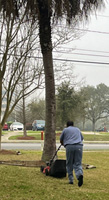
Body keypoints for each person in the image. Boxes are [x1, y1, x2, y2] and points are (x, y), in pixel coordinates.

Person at [60, 120, 84, 187]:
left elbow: (61, 139)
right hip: (79, 146)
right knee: (78, 163)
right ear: (73, 125)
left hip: (69, 146)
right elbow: (82, 138)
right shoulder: (77, 129)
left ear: (67, 125)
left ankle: (71, 180)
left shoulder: (65, 130)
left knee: (69, 163)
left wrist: (63, 143)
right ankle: (79, 175)